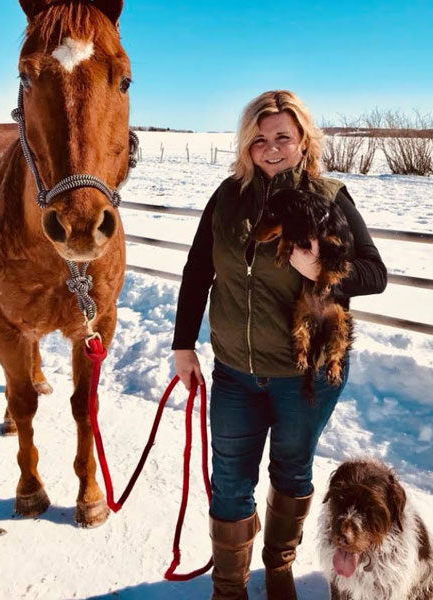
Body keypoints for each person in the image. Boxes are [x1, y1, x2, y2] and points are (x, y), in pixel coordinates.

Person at [172, 90, 387, 600]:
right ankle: (229, 588)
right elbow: (198, 272)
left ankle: (278, 570)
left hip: (305, 375)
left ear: (303, 141)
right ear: (247, 144)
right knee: (228, 480)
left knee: (291, 471)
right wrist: (184, 345)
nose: (271, 148)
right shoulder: (226, 198)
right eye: (260, 138)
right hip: (234, 373)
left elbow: (375, 273)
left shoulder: (330, 196)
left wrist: (324, 272)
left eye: (283, 138)